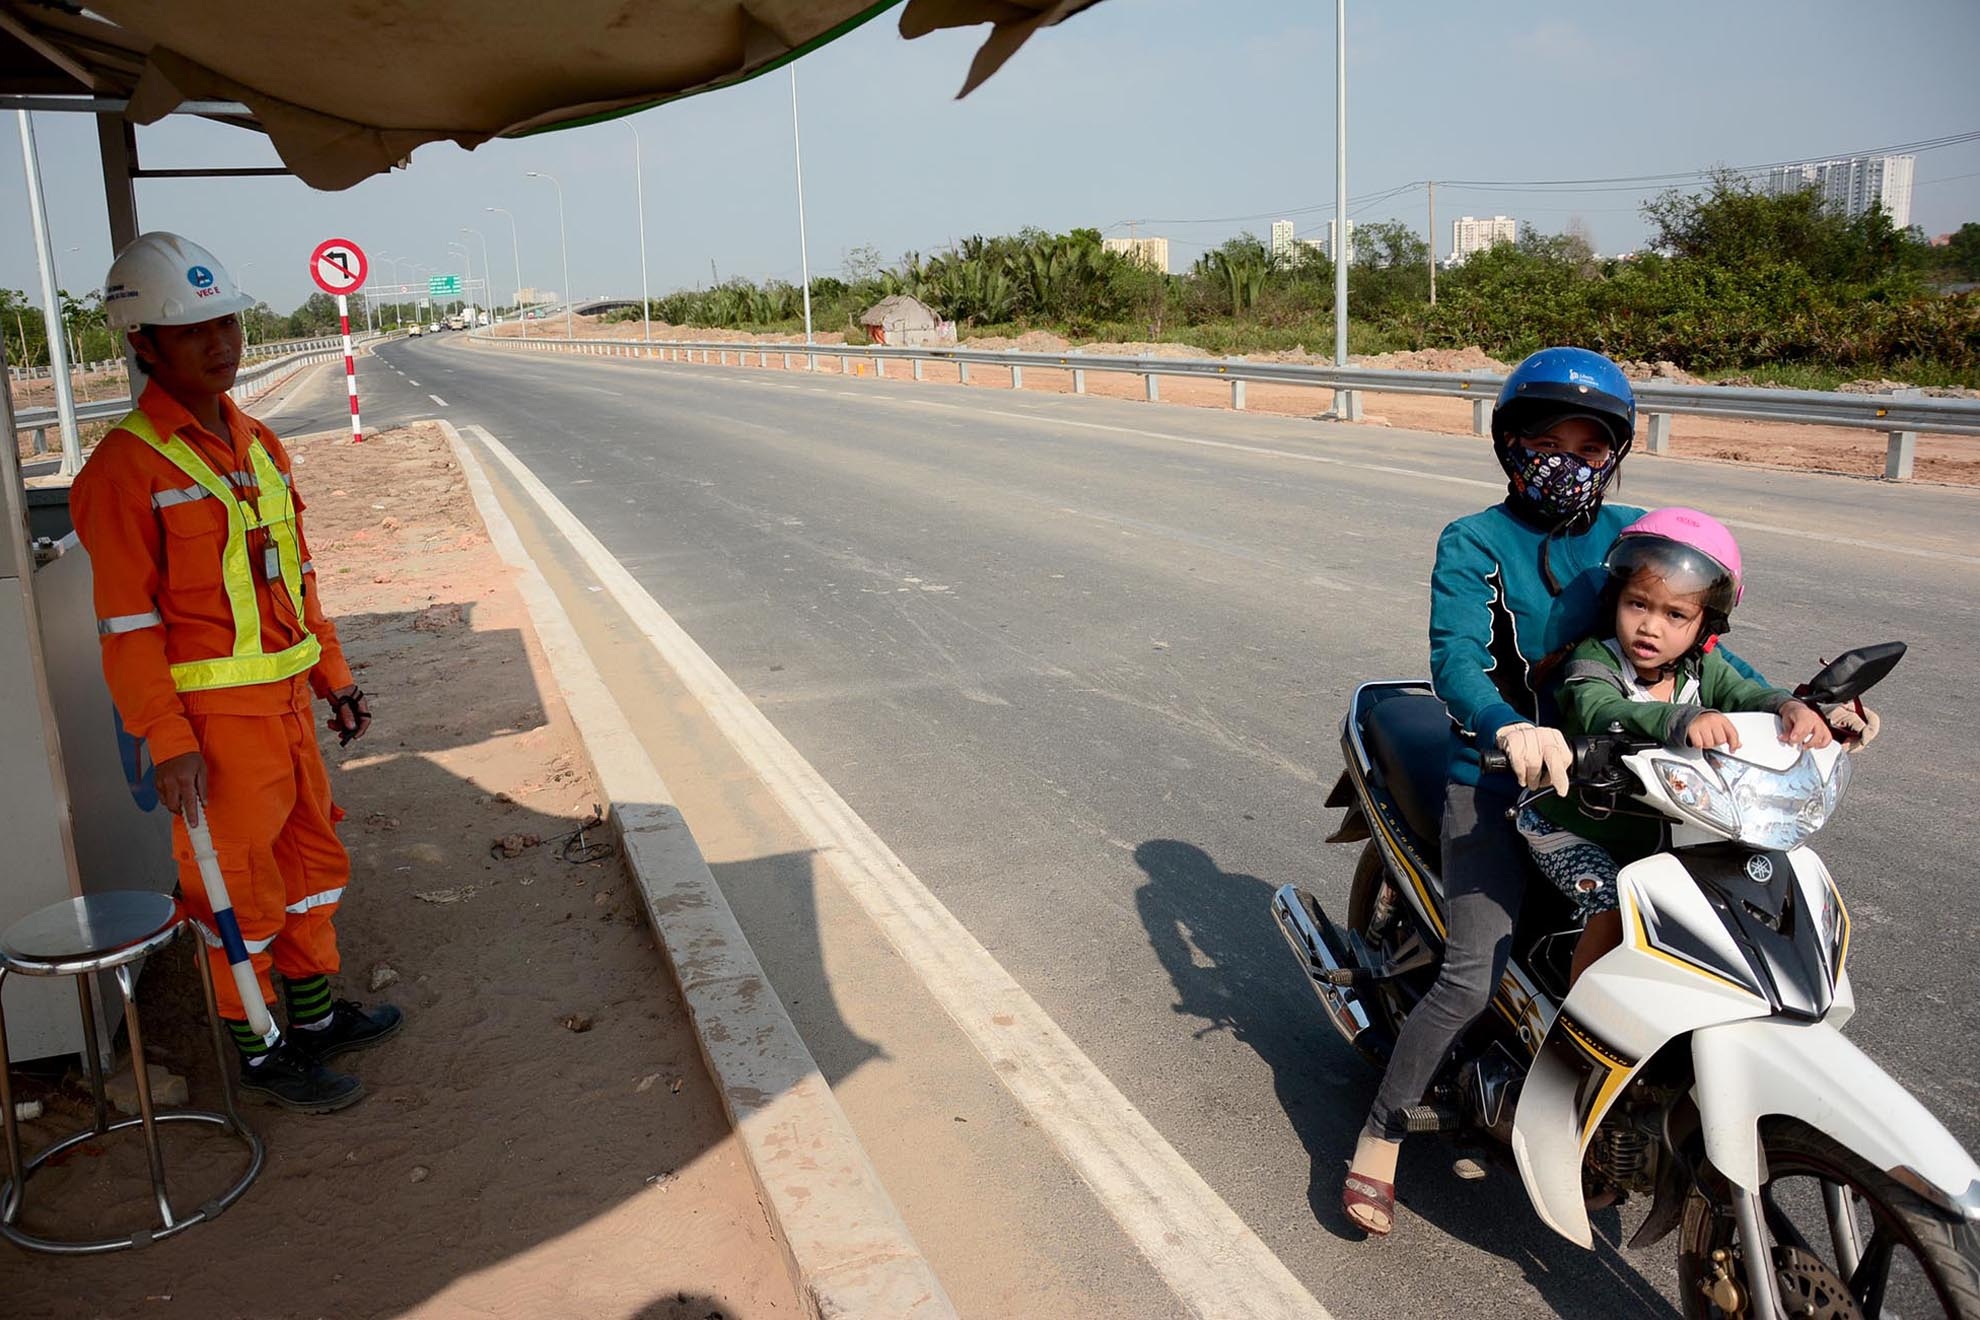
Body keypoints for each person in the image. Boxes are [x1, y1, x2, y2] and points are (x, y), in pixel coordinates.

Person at [1340, 347, 1759, 1236]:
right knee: (1471, 973)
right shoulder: (1474, 541)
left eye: (1589, 446)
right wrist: (1508, 727)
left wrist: (1798, 711)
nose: (1569, 462)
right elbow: (1457, 660)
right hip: (1498, 780)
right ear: (1510, 444)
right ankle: (1380, 1134)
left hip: (1624, 784)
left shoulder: (1639, 537)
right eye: (1548, 443)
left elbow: (1709, 650)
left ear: (1615, 455)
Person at [70, 232, 401, 1113]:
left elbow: (296, 576)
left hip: (288, 706)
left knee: (310, 869)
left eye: (226, 323)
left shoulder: (257, 442)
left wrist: (333, 676)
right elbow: (127, 628)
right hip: (214, 733)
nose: (220, 343)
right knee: (236, 895)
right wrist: (166, 739)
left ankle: (315, 1019)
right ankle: (262, 1053)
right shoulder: (122, 470)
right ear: (144, 345)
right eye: (192, 330)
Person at [1517, 508, 1857, 987]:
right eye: (1638, 604)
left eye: (1675, 615)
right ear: (1615, 599)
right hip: (1571, 827)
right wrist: (1681, 719)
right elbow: (1601, 711)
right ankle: (1581, 1014)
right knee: (1613, 909)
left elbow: (1746, 693)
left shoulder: (1700, 668)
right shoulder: (1594, 661)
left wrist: (1789, 708)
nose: (1650, 627)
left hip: (1657, 831)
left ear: (1704, 625)